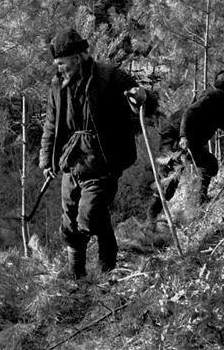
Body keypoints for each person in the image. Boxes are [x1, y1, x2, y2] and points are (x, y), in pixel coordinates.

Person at [39, 29, 152, 279]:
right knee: (69, 223)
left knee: (88, 218)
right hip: (71, 160)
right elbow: (51, 124)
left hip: (104, 160)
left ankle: (105, 266)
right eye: (57, 63)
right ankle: (78, 276)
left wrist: (142, 96)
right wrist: (47, 159)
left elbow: (143, 98)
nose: (59, 68)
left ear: (77, 57)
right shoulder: (57, 85)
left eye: (62, 62)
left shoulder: (109, 76)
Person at [148, 69, 224, 223]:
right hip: (175, 137)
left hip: (187, 139)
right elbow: (190, 112)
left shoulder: (218, 104)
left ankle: (200, 201)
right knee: (169, 181)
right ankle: (149, 223)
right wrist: (183, 136)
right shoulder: (214, 97)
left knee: (209, 164)